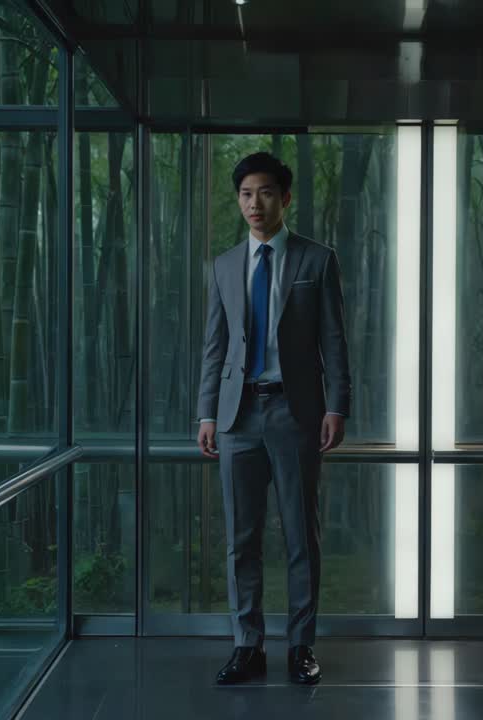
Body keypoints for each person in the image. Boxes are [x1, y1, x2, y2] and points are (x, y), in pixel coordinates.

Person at [196, 151, 352, 686]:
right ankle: (247, 645)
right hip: (237, 416)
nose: (253, 204)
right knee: (242, 538)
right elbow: (213, 349)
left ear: (285, 198)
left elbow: (335, 339)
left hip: (296, 411)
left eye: (264, 192)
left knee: (299, 537)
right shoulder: (222, 266)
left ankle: (301, 646)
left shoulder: (316, 260)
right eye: (244, 194)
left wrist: (337, 406)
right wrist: (207, 413)